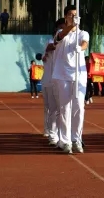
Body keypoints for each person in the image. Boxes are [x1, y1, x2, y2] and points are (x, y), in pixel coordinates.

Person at [51, 4, 89, 154]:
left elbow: (85, 43)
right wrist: (71, 26)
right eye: (71, 15)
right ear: (66, 17)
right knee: (65, 108)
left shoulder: (83, 33)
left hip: (79, 75)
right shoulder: (61, 32)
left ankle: (76, 139)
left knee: (79, 107)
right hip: (62, 75)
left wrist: (81, 48)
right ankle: (65, 141)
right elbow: (60, 37)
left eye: (76, 15)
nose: (74, 17)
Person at [43, 18, 64, 146]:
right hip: (50, 80)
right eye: (60, 28)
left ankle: (63, 135)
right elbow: (50, 47)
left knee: (63, 110)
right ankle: (52, 135)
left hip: (63, 79)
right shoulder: (51, 41)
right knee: (52, 109)